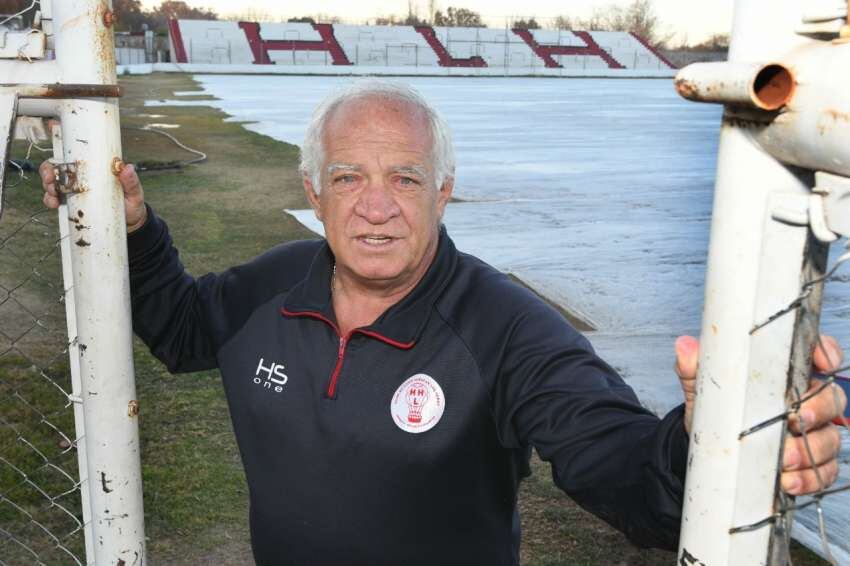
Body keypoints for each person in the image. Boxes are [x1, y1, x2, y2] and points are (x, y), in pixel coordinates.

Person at [41, 81, 846, 565]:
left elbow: (623, 472)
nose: (377, 206)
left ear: (444, 190)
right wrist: (136, 234)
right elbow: (182, 331)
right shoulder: (276, 282)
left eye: (406, 177)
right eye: (349, 176)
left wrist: (706, 442)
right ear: (314, 191)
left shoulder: (508, 329)